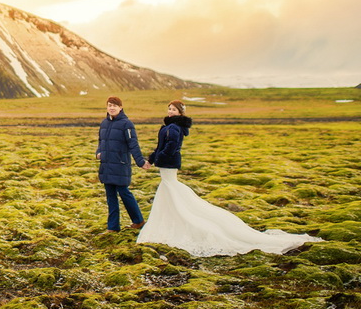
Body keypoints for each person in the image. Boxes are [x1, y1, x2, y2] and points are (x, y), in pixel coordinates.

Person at [137, 100, 322, 256]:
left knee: (171, 188)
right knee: (170, 189)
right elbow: (160, 145)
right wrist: (151, 160)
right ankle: (173, 218)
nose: (170, 111)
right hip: (166, 163)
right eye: (169, 109)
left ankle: (182, 220)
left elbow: (171, 147)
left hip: (169, 163)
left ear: (179, 113)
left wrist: (158, 159)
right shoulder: (170, 126)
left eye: (173, 110)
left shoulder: (174, 128)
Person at [96, 96, 151, 232]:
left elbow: (133, 144)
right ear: (107, 107)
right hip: (106, 165)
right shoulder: (104, 123)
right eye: (109, 105)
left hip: (120, 165)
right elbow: (101, 141)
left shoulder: (127, 124)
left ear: (120, 108)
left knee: (124, 193)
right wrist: (98, 153)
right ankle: (113, 227)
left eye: (115, 105)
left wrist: (140, 162)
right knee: (110, 197)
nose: (112, 108)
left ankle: (138, 220)